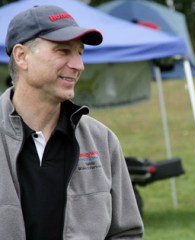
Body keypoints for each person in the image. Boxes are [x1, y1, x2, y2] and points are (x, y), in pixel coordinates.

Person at [0, 5, 143, 240]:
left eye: (80, 53)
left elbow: (126, 233)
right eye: (63, 51)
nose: (79, 65)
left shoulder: (102, 141)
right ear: (21, 56)